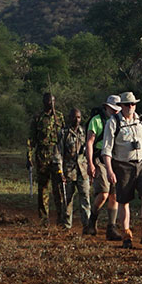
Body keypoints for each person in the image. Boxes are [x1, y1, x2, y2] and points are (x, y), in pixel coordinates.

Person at [101, 91, 142, 249]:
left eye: (133, 104)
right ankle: (126, 235)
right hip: (123, 164)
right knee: (124, 201)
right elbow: (106, 149)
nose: (131, 107)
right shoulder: (113, 122)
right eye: (127, 104)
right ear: (121, 106)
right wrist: (110, 170)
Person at [84, 95, 120, 238]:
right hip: (100, 159)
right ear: (106, 107)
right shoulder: (96, 121)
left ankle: (111, 228)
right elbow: (89, 142)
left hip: (115, 159)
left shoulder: (120, 121)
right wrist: (90, 163)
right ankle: (92, 221)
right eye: (112, 109)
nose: (115, 111)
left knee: (114, 195)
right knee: (104, 193)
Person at [27, 92, 64, 225]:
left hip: (56, 155)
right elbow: (31, 139)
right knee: (43, 188)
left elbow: (64, 137)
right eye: (48, 101)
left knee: (58, 188)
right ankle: (44, 218)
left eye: (53, 101)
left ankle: (61, 217)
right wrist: (29, 156)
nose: (51, 104)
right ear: (44, 102)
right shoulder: (37, 117)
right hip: (42, 155)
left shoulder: (59, 117)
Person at [56, 108, 94, 232]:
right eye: (74, 117)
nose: (76, 120)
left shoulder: (84, 132)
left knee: (85, 198)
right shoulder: (63, 133)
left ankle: (87, 225)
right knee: (67, 200)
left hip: (82, 171)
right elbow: (58, 153)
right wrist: (60, 171)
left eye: (78, 117)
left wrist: (90, 168)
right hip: (68, 171)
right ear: (69, 117)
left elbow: (89, 152)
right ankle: (66, 226)